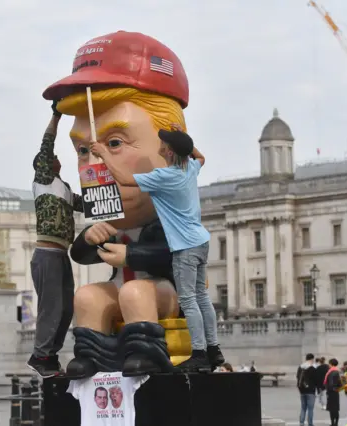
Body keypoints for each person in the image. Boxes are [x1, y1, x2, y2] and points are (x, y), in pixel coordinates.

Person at [43, 31, 201, 379]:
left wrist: (130, 257)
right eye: (83, 151)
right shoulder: (112, 218)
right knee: (88, 297)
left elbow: (171, 255)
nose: (92, 166)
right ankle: (90, 355)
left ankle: (145, 353)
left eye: (114, 143)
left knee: (135, 291)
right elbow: (80, 255)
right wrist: (88, 238)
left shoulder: (170, 216)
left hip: (162, 292)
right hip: (120, 286)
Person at [90, 125, 224, 372]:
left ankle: (199, 354)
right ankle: (214, 350)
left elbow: (124, 179)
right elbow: (200, 157)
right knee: (203, 298)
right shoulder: (190, 168)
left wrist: (103, 153)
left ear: (171, 152)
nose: (159, 146)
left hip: (184, 245)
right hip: (201, 241)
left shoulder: (167, 176)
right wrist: (185, 140)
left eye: (164, 144)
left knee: (188, 300)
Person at [27, 100, 84, 378]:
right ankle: (40, 355)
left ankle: (49, 355)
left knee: (65, 308)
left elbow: (85, 204)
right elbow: (47, 143)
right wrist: (56, 116)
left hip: (61, 254)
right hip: (47, 254)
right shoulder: (43, 180)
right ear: (45, 165)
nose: (57, 157)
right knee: (51, 307)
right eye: (52, 157)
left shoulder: (63, 187)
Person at [296, 353, 317, 426]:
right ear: (312, 359)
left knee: (303, 408)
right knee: (310, 408)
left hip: (302, 390)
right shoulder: (313, 367)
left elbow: (297, 377)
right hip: (311, 390)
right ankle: (310, 423)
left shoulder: (301, 367)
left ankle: (301, 422)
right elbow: (315, 379)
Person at [324, 358, 342, 426]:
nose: (328, 365)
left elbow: (331, 383)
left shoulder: (332, 372)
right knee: (335, 408)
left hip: (332, 392)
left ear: (331, 363)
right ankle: (334, 423)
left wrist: (329, 389)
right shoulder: (335, 371)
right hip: (334, 392)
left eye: (329, 363)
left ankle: (334, 423)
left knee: (333, 409)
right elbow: (339, 383)